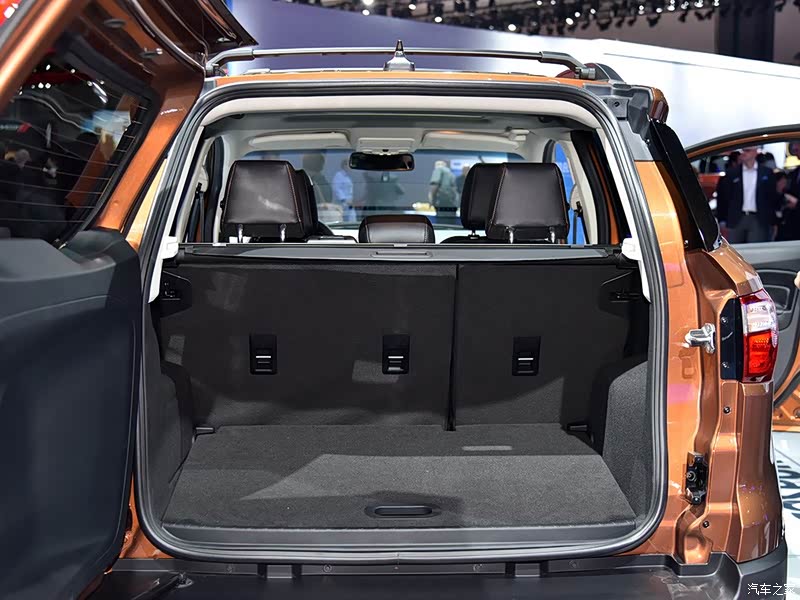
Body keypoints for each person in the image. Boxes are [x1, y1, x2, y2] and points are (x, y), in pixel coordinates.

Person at [715, 146, 780, 243]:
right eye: (742, 151)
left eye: (747, 150)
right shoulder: (731, 173)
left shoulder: (766, 172)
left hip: (758, 218)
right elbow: (723, 198)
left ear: (755, 152)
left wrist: (773, 221)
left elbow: (771, 198)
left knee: (756, 249)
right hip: (736, 218)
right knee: (734, 250)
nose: (743, 153)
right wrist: (722, 220)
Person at [777, 171, 800, 241]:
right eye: (782, 182)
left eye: (784, 183)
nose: (783, 185)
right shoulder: (793, 174)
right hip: (788, 223)